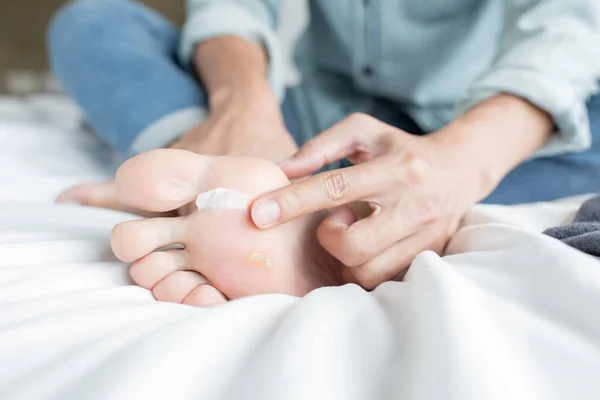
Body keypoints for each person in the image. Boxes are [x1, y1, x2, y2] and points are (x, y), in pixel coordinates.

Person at [48, 0, 600, 304]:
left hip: (497, 127)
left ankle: (236, 199)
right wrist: (245, 103)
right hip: (317, 128)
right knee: (95, 21)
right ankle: (241, 174)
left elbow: (570, 27)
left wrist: (462, 160)